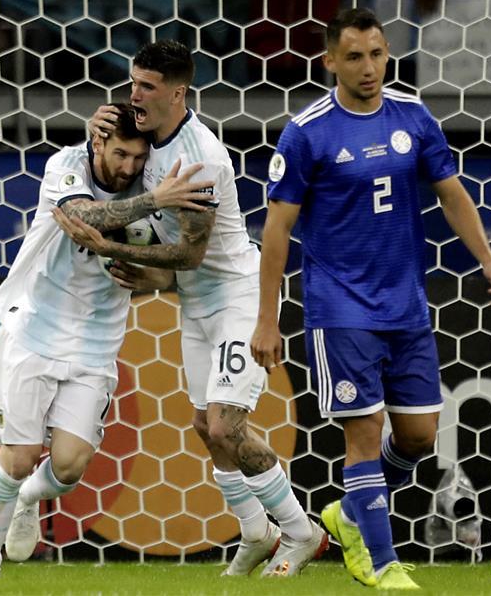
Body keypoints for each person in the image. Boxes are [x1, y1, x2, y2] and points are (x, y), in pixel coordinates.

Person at [250, 8, 491, 590]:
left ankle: (348, 515)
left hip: (407, 306)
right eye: (354, 57)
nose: (368, 68)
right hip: (339, 308)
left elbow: (451, 193)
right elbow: (276, 233)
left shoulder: (413, 115)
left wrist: (488, 258)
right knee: (364, 432)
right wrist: (267, 319)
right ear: (330, 62)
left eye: (376, 54)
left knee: (418, 436)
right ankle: (381, 562)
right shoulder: (307, 132)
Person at [69, 40, 328, 578]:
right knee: (204, 426)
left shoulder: (201, 157)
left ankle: (302, 533)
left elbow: (190, 252)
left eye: (147, 86)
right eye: (133, 82)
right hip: (194, 300)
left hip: (237, 296)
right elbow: (108, 166)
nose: (133, 94)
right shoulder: (140, 133)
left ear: (178, 92)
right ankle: (255, 532)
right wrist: (91, 132)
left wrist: (109, 245)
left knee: (227, 426)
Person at [0, 103, 212, 579]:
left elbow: (173, 266)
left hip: (97, 345)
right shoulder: (66, 165)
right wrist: (155, 199)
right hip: (34, 330)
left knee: (69, 467)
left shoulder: (149, 185)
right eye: (121, 154)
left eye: (139, 159)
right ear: (98, 142)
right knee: (17, 457)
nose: (129, 168)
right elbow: (84, 217)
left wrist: (151, 278)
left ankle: (27, 500)